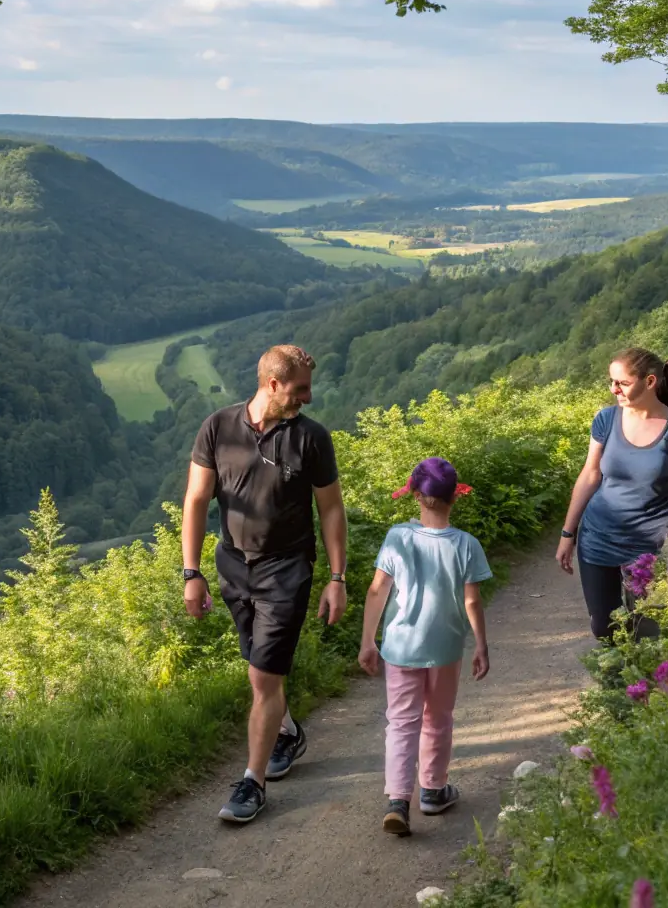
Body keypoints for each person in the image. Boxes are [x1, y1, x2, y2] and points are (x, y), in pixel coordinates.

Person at [182, 344, 348, 825]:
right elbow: (196, 500)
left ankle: (252, 782)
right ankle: (287, 731)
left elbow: (331, 509)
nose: (308, 398)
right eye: (299, 390)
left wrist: (337, 578)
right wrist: (191, 572)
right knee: (258, 666)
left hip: (287, 569)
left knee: (261, 676)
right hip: (233, 566)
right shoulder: (218, 428)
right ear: (272, 385)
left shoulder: (312, 438)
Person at [358, 457, 491, 836]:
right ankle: (432, 790)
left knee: (401, 722)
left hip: (400, 649)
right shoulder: (467, 545)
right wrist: (481, 644)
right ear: (455, 497)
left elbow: (377, 590)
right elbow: (472, 602)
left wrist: (368, 641)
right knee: (438, 719)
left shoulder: (398, 537)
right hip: (446, 649)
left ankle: (398, 800)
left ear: (416, 495)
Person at [555, 347, 668, 640]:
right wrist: (567, 533)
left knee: (649, 630)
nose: (613, 389)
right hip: (597, 538)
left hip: (650, 547)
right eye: (611, 381)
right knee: (604, 628)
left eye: (621, 382)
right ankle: (618, 684)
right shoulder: (606, 420)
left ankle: (646, 684)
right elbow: (590, 475)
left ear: (649, 382)